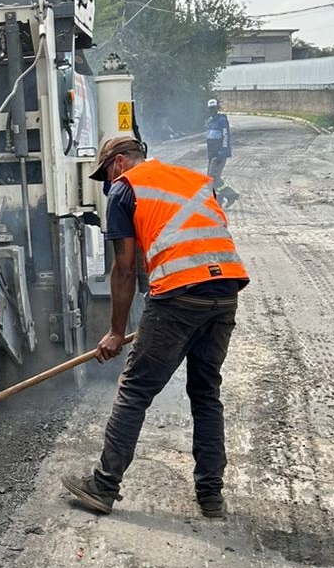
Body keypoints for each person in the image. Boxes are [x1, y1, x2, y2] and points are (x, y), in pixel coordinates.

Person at [61, 134, 249, 518]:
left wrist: (116, 332)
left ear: (118, 162)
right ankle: (211, 496)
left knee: (134, 390)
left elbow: (125, 269)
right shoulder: (192, 180)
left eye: (106, 175)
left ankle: (103, 486)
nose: (107, 184)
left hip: (180, 296)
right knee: (206, 392)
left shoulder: (124, 188)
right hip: (225, 291)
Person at [205, 98, 238, 209]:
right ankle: (219, 199)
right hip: (211, 154)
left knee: (212, 177)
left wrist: (223, 151)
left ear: (217, 108)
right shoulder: (210, 121)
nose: (212, 110)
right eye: (210, 108)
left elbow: (226, 136)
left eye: (214, 108)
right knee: (210, 179)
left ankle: (230, 195)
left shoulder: (222, 120)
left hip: (219, 153)